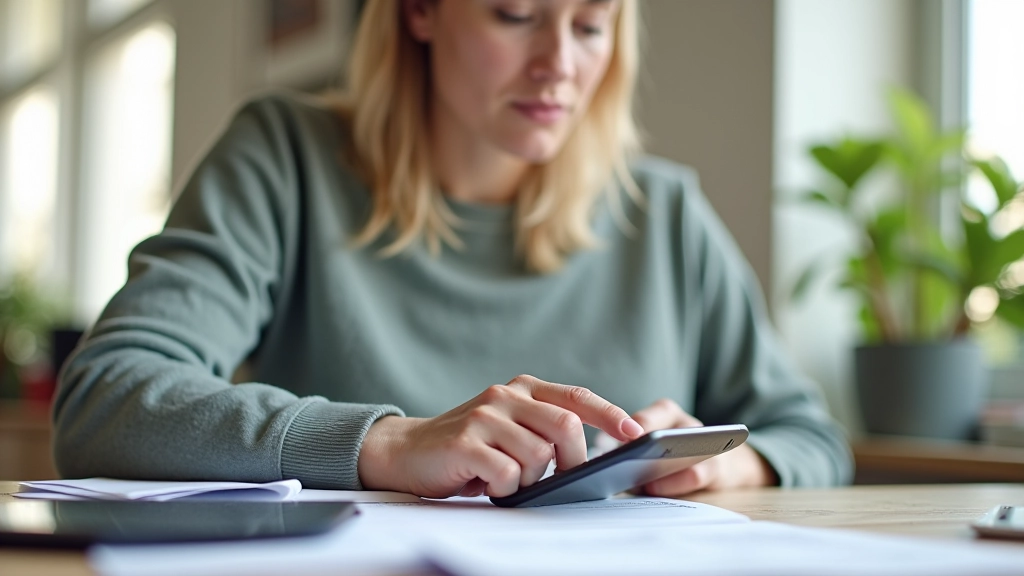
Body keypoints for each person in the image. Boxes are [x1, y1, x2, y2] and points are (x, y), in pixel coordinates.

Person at [53, 0, 852, 498]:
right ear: (420, 11)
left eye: (590, 24)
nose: (560, 66)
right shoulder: (284, 159)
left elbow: (811, 438)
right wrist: (387, 442)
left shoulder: (665, 211)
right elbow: (108, 396)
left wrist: (726, 466)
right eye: (514, 14)